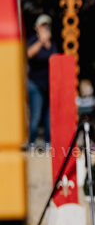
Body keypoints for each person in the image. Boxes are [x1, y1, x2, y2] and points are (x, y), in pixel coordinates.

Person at [26, 14, 55, 147]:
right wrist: (41, 42)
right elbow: (29, 54)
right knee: (36, 116)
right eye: (43, 25)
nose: (45, 28)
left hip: (50, 84)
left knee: (49, 117)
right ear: (37, 28)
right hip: (35, 84)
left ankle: (48, 142)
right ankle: (31, 142)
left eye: (47, 25)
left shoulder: (52, 44)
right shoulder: (33, 41)